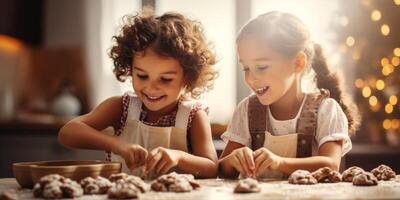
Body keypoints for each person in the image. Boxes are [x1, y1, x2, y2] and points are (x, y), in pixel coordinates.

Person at [58, 11, 219, 178]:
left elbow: (212, 168)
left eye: (165, 79)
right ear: (130, 69)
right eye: (142, 76)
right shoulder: (121, 107)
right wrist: (117, 145)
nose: (151, 87)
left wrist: (179, 157)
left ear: (188, 78)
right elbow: (68, 133)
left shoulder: (193, 116)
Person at [218, 11, 361, 179]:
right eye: (246, 68)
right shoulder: (246, 110)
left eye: (262, 67)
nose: (250, 78)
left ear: (298, 63)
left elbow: (330, 165)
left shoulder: (326, 110)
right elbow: (221, 169)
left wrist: (279, 162)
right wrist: (233, 160)